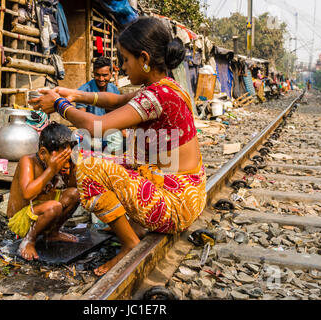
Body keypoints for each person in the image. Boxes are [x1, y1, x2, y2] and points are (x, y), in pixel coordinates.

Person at [30, 17, 207, 276]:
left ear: (144, 58)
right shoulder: (166, 88)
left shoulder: (155, 96)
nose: (122, 67)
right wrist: (75, 94)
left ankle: (129, 242)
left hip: (176, 204)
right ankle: (129, 225)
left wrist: (60, 106)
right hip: (185, 192)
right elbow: (117, 100)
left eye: (125, 59)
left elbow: (98, 126)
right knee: (94, 156)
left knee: (87, 165)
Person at [7, 122, 80, 261]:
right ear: (43, 153)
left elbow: (74, 187)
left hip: (46, 209)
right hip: (21, 220)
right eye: (61, 159)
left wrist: (72, 168)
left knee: (75, 194)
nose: (64, 163)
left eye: (67, 158)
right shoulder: (27, 162)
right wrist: (51, 170)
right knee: (54, 206)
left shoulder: (63, 165)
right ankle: (29, 241)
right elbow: (28, 194)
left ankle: (52, 233)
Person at [76, 56, 125, 153]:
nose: (101, 79)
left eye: (105, 75)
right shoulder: (83, 91)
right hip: (91, 134)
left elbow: (118, 114)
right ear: (93, 73)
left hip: (110, 133)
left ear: (111, 74)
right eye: (97, 75)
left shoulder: (114, 89)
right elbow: (80, 120)